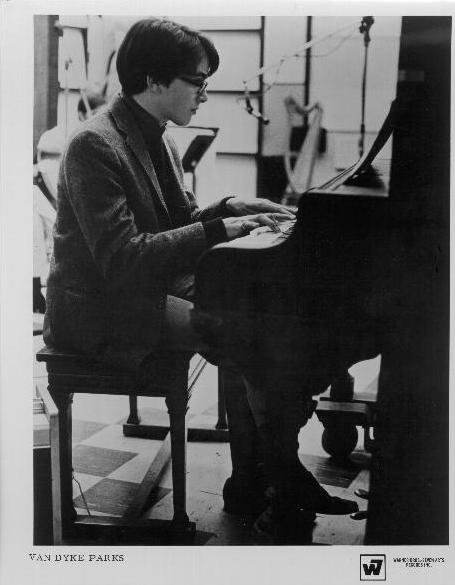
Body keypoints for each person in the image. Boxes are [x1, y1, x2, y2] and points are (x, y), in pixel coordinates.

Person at [43, 18, 357, 541]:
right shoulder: (93, 145)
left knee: (256, 317)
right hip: (100, 309)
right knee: (243, 332)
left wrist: (232, 208)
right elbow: (123, 260)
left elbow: (181, 220)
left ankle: (253, 481)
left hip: (142, 291)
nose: (205, 94)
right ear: (153, 80)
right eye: (197, 81)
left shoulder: (156, 134)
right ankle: (278, 476)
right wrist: (220, 228)